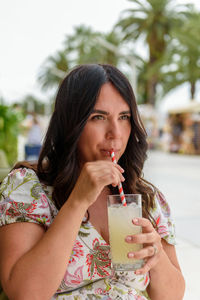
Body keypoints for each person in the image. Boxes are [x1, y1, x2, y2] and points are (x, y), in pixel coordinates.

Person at [0, 64, 185, 300]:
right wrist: (77, 202)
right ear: (71, 123)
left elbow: (173, 295)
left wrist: (156, 252)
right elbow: (25, 294)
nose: (115, 133)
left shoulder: (146, 196)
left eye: (124, 117)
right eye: (98, 117)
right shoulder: (29, 187)